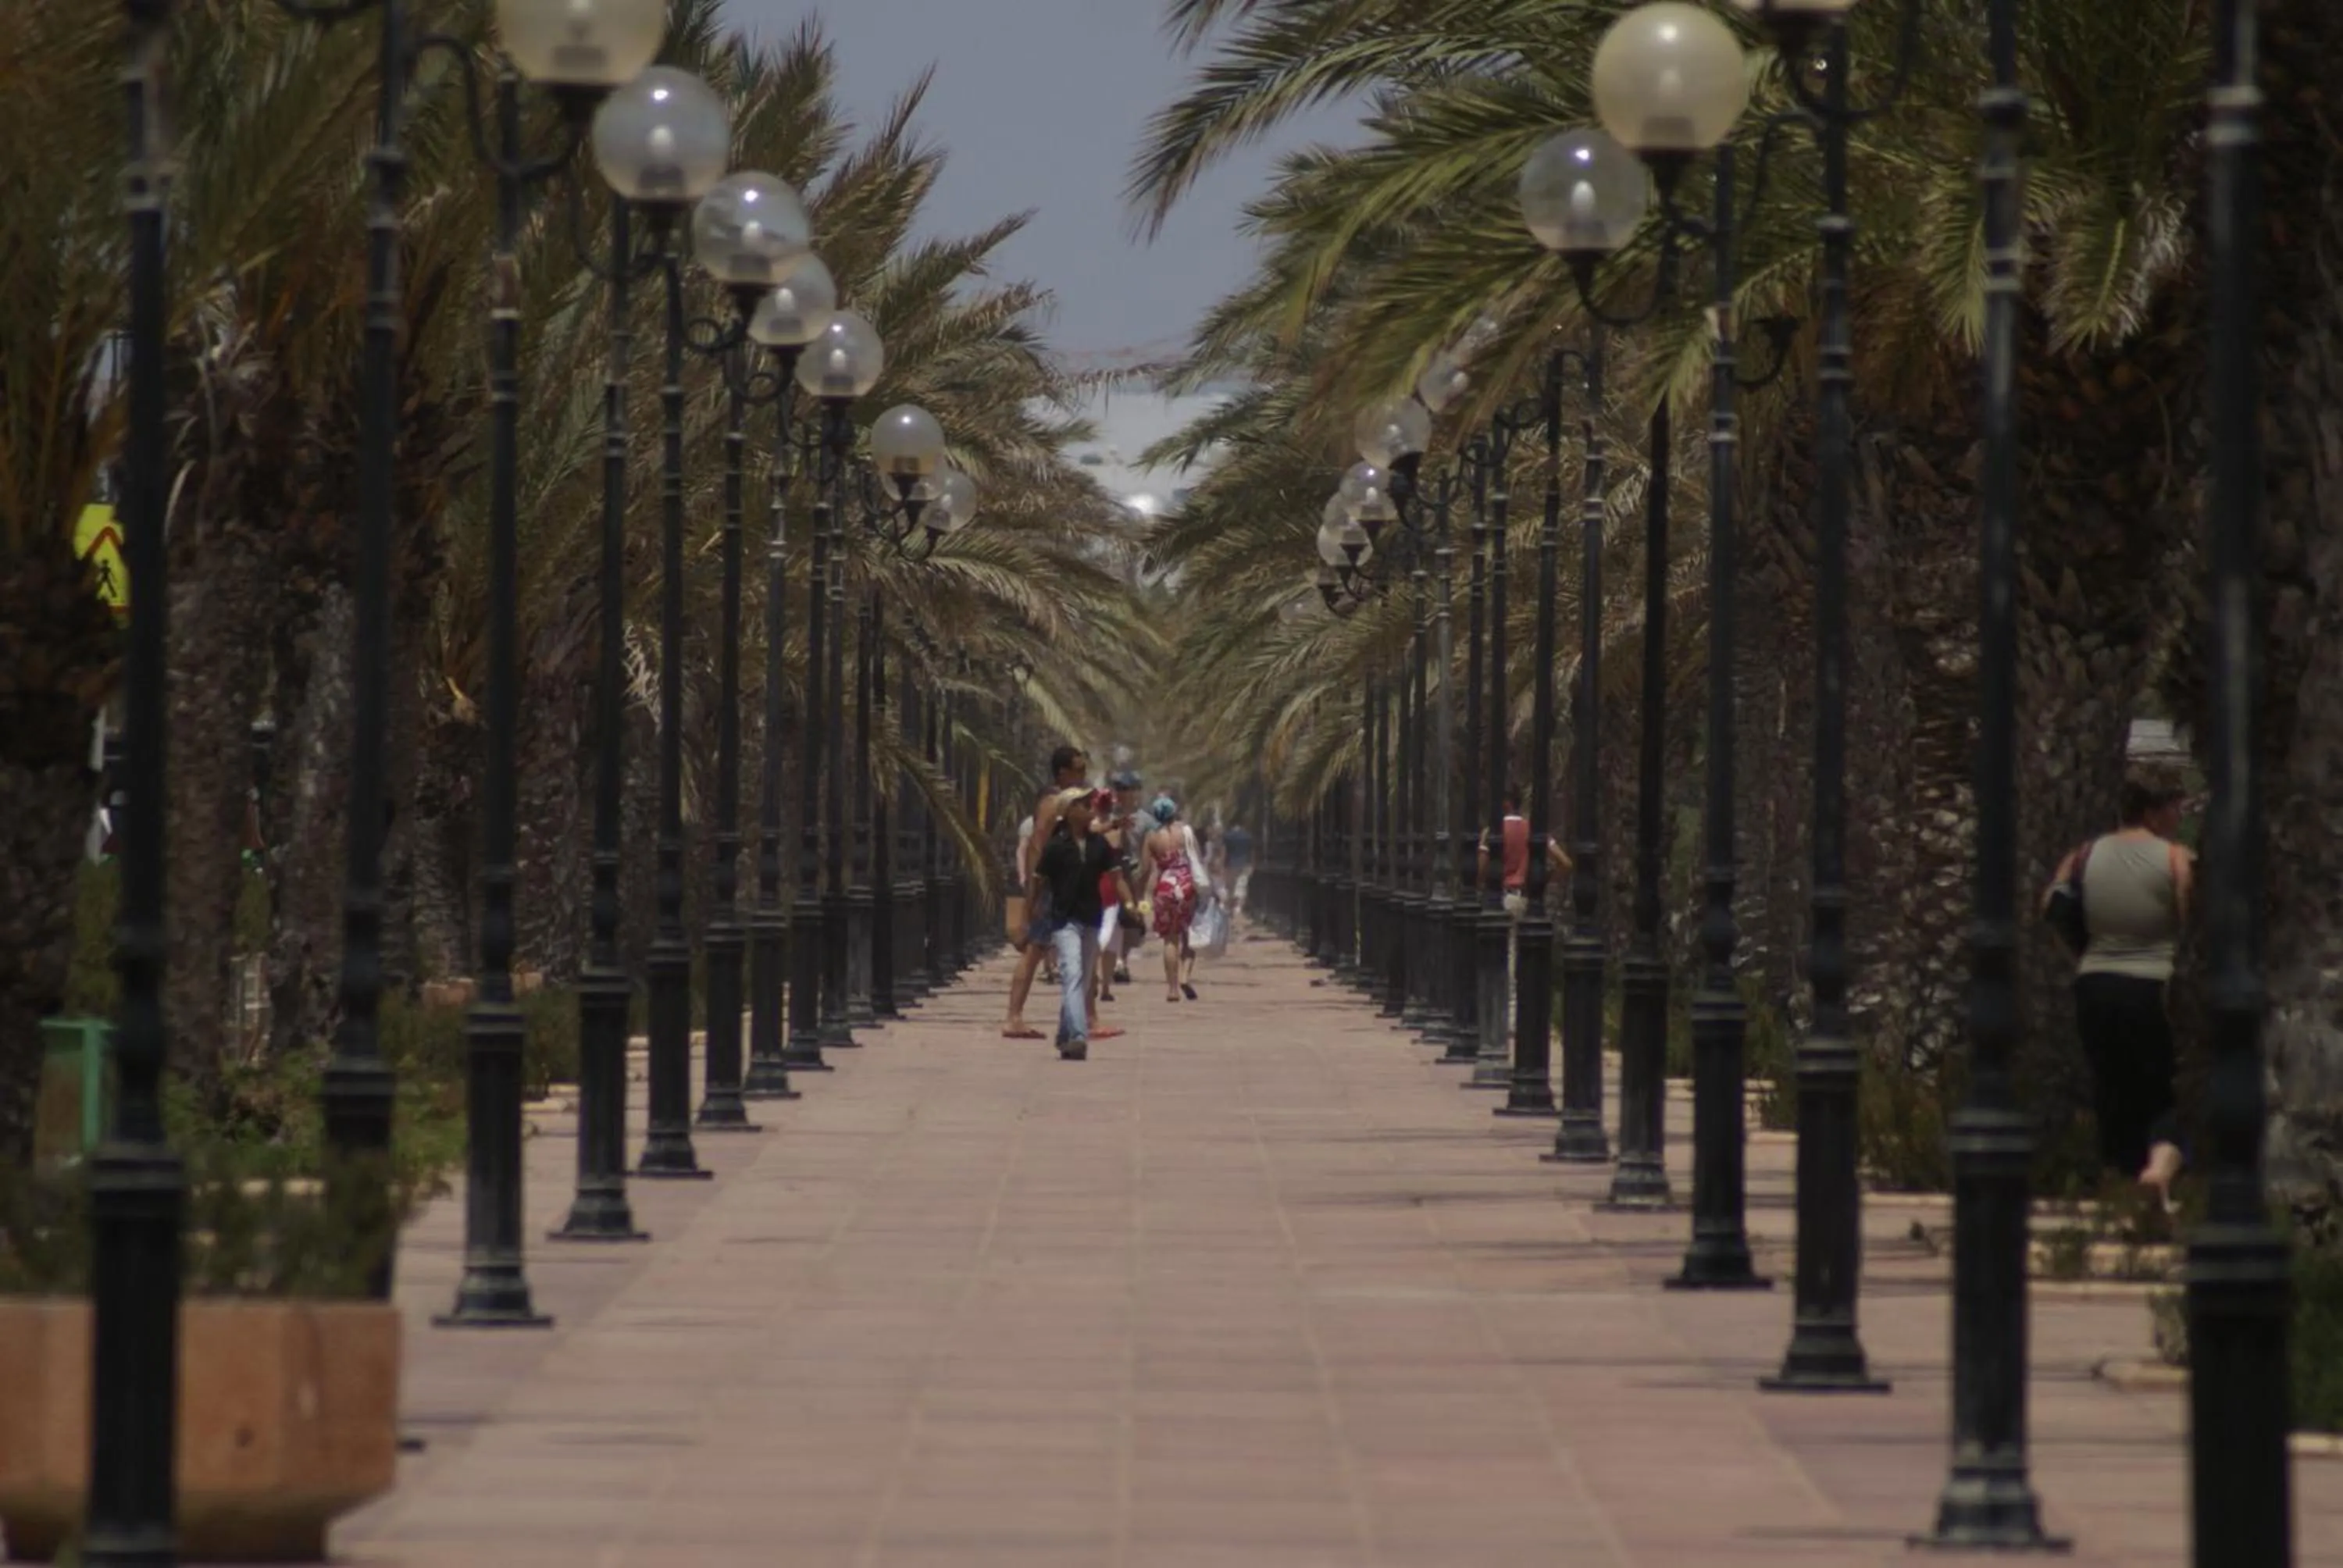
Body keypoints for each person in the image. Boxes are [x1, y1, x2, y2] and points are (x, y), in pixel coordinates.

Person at [2044, 776, 2194, 1210]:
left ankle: (2120, 1185)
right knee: (2168, 1087)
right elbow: (2191, 924)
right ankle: (2158, 1172)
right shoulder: (2175, 859)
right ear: (2152, 812)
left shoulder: (2082, 857)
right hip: (2153, 987)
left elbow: (2050, 908)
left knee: (2113, 1087)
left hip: (2096, 983)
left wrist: (2083, 955)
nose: (2178, 818)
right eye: (2174, 809)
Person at [1002, 744, 1087, 1039]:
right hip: (1047, 889)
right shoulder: (1053, 803)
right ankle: (1014, 1017)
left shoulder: (1067, 803)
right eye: (1079, 770)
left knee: (1044, 950)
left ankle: (1083, 1015)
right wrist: (1033, 894)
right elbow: (1037, 846)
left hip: (1058, 887)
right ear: (1063, 773)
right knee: (1034, 950)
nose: (1083, 776)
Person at [1027, 787, 1115, 1060]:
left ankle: (1065, 1035)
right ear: (1069, 811)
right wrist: (1028, 914)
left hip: (1092, 919)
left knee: (1083, 978)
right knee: (1072, 974)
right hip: (1065, 921)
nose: (1091, 807)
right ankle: (1078, 1036)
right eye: (1084, 803)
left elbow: (1117, 876)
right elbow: (1038, 882)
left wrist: (1132, 905)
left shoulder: (1099, 845)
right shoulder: (1056, 846)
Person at [1140, 796, 1202, 1002]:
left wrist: (1144, 894)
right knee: (1190, 935)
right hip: (1186, 885)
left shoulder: (1151, 837)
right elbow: (1198, 858)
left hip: (1165, 887)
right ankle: (1185, 976)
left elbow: (1147, 869)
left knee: (1170, 938)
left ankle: (1172, 989)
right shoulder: (1185, 831)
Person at [1222, 821, 1254, 932]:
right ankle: (1238, 910)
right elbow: (1251, 852)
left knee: (1230, 889)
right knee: (1241, 888)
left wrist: (1223, 865)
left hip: (1230, 865)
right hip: (1244, 864)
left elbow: (1224, 852)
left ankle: (1231, 914)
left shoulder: (1228, 836)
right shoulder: (1248, 836)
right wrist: (1251, 865)